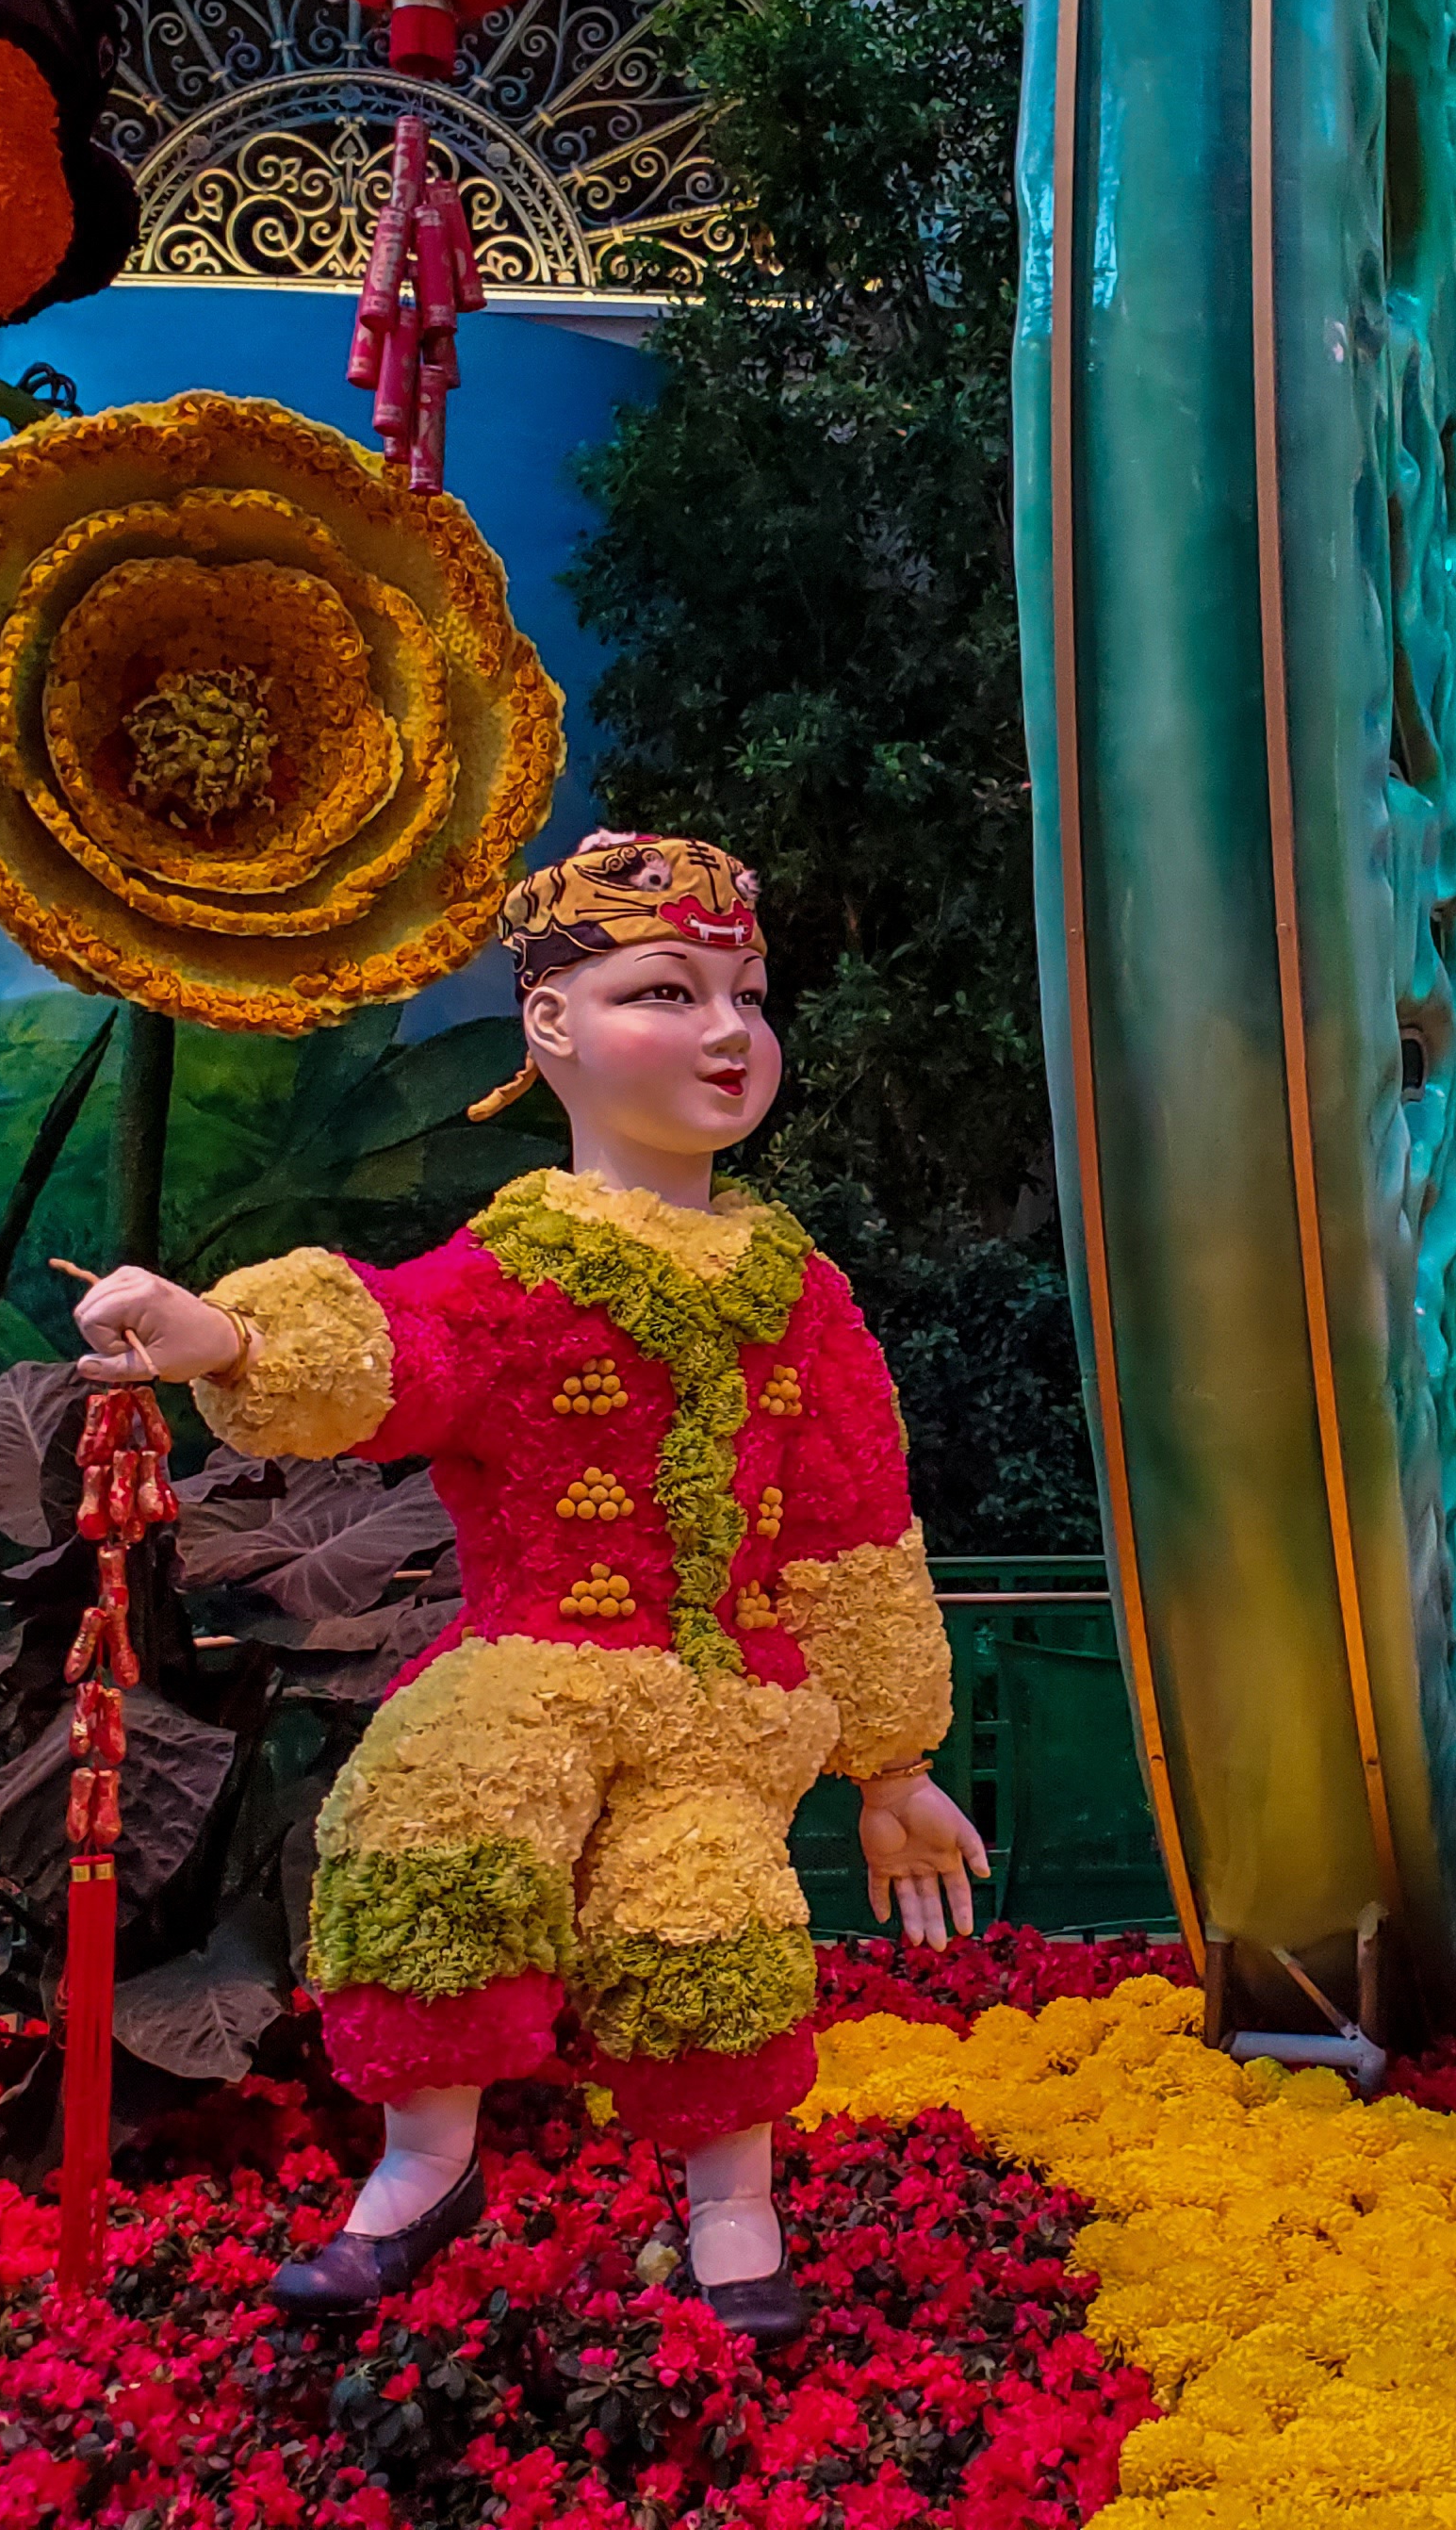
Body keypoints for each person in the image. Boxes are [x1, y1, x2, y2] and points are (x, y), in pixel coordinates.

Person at [72, 831, 989, 2337]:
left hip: (723, 1702)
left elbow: (852, 1527)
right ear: (551, 1026)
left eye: (748, 999)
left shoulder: (801, 1295)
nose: (725, 1035)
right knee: (427, 1829)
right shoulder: (518, 1269)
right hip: (534, 1659)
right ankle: (422, 2166)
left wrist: (893, 1767)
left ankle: (732, 2202)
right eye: (668, 991)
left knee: (708, 1920)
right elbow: (399, 1346)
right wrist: (228, 1340)